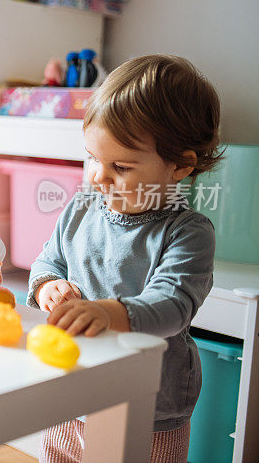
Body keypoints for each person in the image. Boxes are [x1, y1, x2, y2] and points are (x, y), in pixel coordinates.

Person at [27, 54, 222, 462]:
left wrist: (105, 313)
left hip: (148, 408)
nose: (99, 176)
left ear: (180, 166)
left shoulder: (188, 232)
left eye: (121, 166)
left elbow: (171, 306)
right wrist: (48, 286)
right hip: (71, 391)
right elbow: (49, 261)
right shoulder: (81, 208)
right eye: (93, 158)